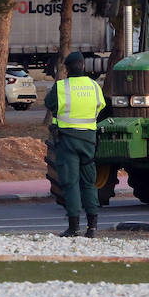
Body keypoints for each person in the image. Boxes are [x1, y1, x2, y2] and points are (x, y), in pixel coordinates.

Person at [45, 51, 107, 238]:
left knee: (71, 183)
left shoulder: (61, 87)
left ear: (67, 68)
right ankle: (92, 227)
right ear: (83, 65)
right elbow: (101, 106)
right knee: (89, 183)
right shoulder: (94, 86)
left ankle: (73, 227)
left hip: (68, 141)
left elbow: (49, 103)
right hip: (89, 141)